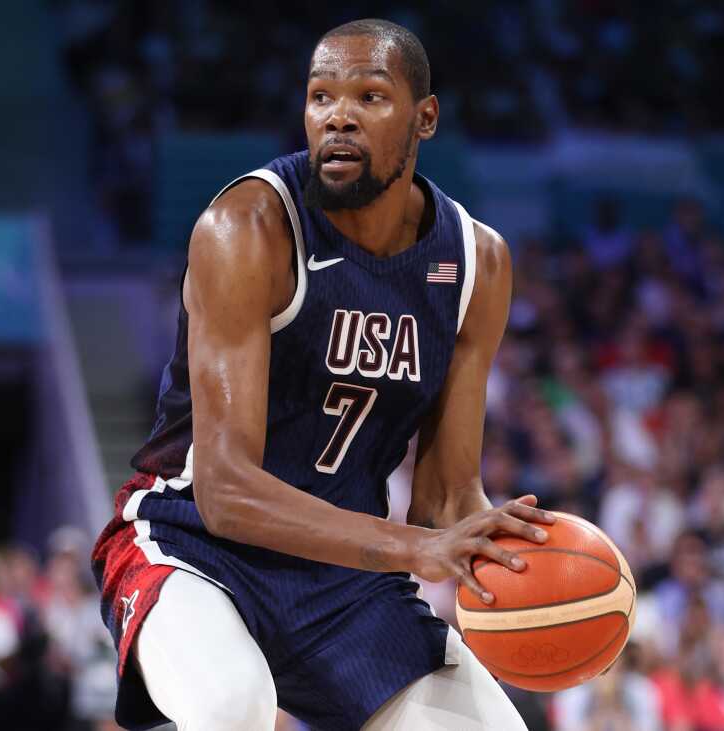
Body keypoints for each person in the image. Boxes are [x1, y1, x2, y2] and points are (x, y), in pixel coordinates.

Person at [92, 18, 554, 731]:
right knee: (230, 707)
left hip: (342, 582)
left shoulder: (475, 263)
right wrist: (415, 547)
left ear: (424, 117)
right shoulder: (247, 227)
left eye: (370, 96)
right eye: (320, 96)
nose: (338, 114)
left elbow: (445, 498)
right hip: (190, 545)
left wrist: (522, 566)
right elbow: (227, 494)